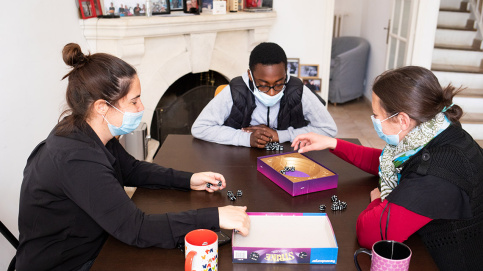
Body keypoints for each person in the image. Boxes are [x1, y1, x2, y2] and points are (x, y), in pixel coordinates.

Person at [16, 43, 250, 271]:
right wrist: (215, 216)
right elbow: (135, 229)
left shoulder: (90, 131)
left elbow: (131, 169)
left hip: (97, 242)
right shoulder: (76, 158)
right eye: (134, 100)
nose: (141, 108)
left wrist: (188, 179)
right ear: (101, 107)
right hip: (73, 262)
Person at [291, 66, 483, 270]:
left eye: (376, 115)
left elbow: (371, 234)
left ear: (402, 120)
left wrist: (379, 201)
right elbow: (389, 163)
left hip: (444, 261)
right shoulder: (434, 129)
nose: (373, 121)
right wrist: (333, 143)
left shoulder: (436, 174)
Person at [191, 42, 337, 148]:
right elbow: (200, 128)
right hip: (240, 165)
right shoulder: (235, 91)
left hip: (288, 160)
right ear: (250, 75)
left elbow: (328, 129)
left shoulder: (297, 90)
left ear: (286, 73)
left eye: (279, 83)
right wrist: (246, 138)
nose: (272, 92)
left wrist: (280, 135)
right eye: (263, 85)